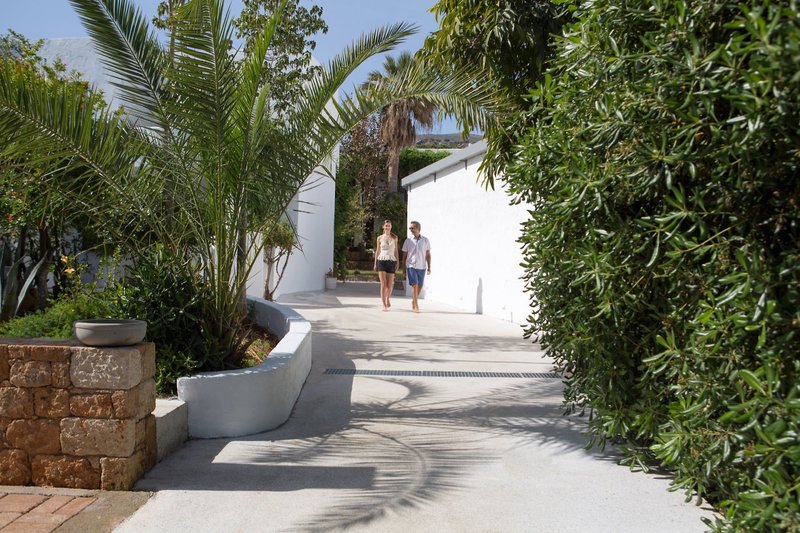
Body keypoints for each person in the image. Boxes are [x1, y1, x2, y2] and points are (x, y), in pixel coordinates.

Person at [402, 220, 431, 313]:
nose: (411, 229)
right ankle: (416, 305)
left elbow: (428, 254)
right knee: (415, 285)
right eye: (410, 228)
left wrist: (429, 267)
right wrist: (403, 269)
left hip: (422, 266)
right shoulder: (408, 241)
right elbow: (404, 256)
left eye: (412, 228)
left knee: (420, 286)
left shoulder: (425, 240)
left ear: (418, 228)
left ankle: (413, 301)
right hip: (411, 266)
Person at [373, 219, 400, 311]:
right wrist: (375, 263)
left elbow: (396, 251)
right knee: (383, 285)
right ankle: (384, 304)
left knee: (389, 285)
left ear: (391, 227)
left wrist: (397, 262)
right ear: (383, 227)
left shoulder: (395, 238)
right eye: (386, 225)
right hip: (381, 261)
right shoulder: (379, 238)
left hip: (391, 261)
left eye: (389, 225)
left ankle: (387, 298)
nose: (388, 227)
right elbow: (377, 251)